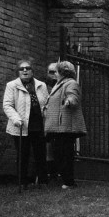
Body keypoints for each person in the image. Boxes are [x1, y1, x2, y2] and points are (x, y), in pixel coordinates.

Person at [2, 59, 49, 186]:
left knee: (40, 153)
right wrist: (16, 119)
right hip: (21, 125)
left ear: (32, 71)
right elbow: (7, 105)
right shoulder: (12, 85)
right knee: (23, 154)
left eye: (27, 68)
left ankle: (43, 181)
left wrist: (47, 117)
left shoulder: (41, 85)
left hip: (38, 125)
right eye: (21, 69)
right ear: (17, 72)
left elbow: (46, 104)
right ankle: (22, 182)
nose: (24, 70)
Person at [43, 61, 87, 189]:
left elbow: (73, 96)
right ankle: (66, 180)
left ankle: (69, 182)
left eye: (56, 72)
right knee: (59, 154)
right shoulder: (59, 84)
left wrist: (69, 101)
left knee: (65, 154)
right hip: (57, 126)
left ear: (62, 73)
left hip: (65, 127)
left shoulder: (71, 83)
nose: (54, 74)